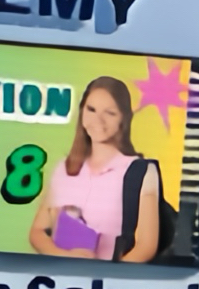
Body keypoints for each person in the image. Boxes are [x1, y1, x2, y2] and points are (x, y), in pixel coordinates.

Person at [42, 75, 178, 263]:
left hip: (110, 285)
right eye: (91, 110)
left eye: (110, 113)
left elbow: (146, 246)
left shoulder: (141, 172)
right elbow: (38, 231)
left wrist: (107, 278)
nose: (98, 120)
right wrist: (67, 260)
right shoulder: (64, 168)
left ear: (124, 118)